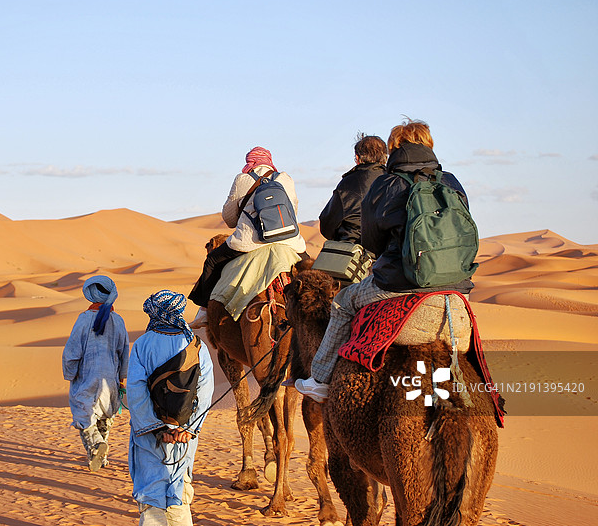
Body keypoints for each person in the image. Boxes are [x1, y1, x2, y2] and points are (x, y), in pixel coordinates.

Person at [296, 119, 475, 402]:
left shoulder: (387, 184)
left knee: (343, 302)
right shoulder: (451, 182)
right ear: (429, 145)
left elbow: (371, 243)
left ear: (395, 148)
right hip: (457, 286)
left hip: (399, 283)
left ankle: (320, 379)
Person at [188, 146, 307, 327]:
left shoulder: (243, 179)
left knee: (212, 261)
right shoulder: (286, 179)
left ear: (250, 163)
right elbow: (294, 212)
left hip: (249, 243)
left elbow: (229, 219)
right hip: (289, 241)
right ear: (270, 161)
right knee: (312, 270)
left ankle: (204, 311)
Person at [127, 290, 214, 525]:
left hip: (149, 434)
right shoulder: (196, 345)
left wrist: (154, 428)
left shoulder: (143, 344)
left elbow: (135, 390)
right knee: (180, 488)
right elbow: (205, 392)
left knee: (151, 490)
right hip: (184, 432)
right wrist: (190, 429)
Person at [62, 275, 130, 471]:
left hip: (87, 375)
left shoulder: (84, 319)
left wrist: (70, 372)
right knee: (104, 417)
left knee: (84, 414)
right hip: (111, 377)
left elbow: (72, 350)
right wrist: (121, 377)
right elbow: (124, 351)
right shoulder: (118, 320)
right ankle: (101, 456)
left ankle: (96, 446)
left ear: (91, 295)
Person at [318, 133, 387, 242]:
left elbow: (327, 224)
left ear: (357, 158)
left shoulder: (347, 183)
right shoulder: (394, 181)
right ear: (385, 157)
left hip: (352, 250)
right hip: (387, 252)